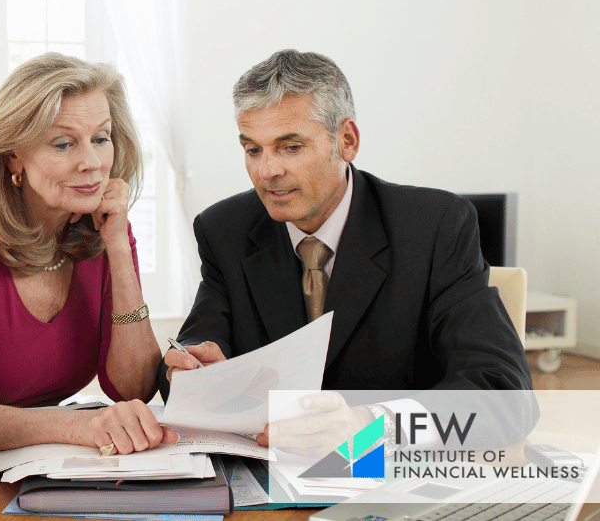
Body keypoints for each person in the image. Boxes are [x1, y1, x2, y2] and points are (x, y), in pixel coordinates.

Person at [159, 49, 533, 451]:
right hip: (272, 478)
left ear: (348, 141)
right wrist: (200, 375)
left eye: (290, 147)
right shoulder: (223, 230)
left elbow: (504, 397)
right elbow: (200, 349)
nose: (267, 171)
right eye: (253, 150)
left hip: (394, 479)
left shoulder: (435, 226)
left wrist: (370, 427)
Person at [0, 53, 176, 455]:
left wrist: (117, 247)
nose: (92, 163)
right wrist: (81, 425)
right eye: (63, 144)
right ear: (13, 156)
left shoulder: (106, 230)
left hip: (48, 456)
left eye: (101, 138)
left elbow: (134, 387)